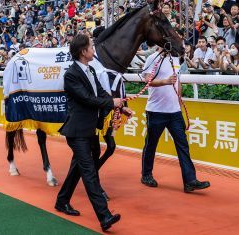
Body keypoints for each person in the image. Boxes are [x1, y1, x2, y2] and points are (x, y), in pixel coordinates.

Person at [55, 34, 125, 231]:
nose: (94, 50)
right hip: (77, 131)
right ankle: (104, 217)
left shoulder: (91, 70)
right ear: (83, 51)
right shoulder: (71, 75)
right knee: (89, 173)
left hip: (89, 129)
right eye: (91, 47)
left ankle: (62, 201)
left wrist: (119, 105)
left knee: (78, 167)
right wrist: (111, 102)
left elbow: (101, 94)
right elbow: (87, 99)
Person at [141, 46, 210, 193]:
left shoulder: (175, 59)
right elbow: (147, 80)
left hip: (174, 112)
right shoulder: (152, 58)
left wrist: (178, 99)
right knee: (151, 144)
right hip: (156, 111)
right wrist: (164, 81)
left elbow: (177, 79)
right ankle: (146, 174)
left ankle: (190, 181)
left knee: (183, 145)